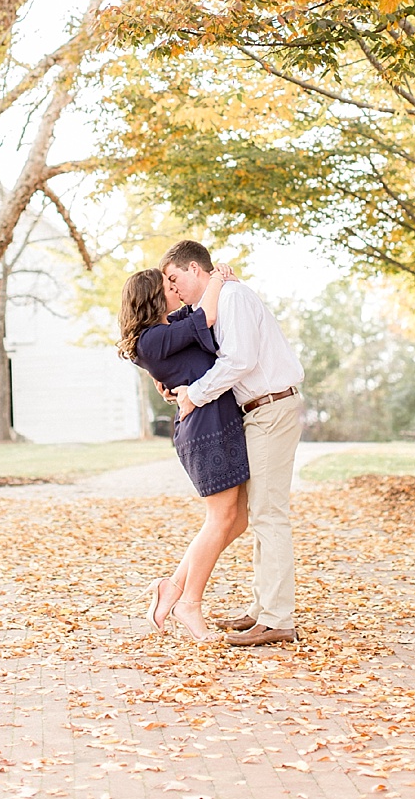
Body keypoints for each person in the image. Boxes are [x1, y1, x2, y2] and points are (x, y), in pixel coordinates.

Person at [161, 240, 305, 647]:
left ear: (195, 269)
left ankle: (278, 618)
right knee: (260, 513)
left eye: (176, 279)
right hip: (258, 412)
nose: (175, 290)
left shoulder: (236, 297)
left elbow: (239, 360)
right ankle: (263, 611)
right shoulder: (220, 300)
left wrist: (195, 393)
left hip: (271, 407)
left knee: (268, 514)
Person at [117, 264, 247, 642]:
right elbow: (205, 315)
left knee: (236, 520)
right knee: (221, 518)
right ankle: (189, 603)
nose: (175, 288)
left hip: (218, 418)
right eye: (167, 285)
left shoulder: (162, 332)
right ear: (153, 297)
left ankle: (171, 587)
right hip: (203, 427)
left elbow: (197, 320)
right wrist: (219, 276)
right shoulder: (153, 339)